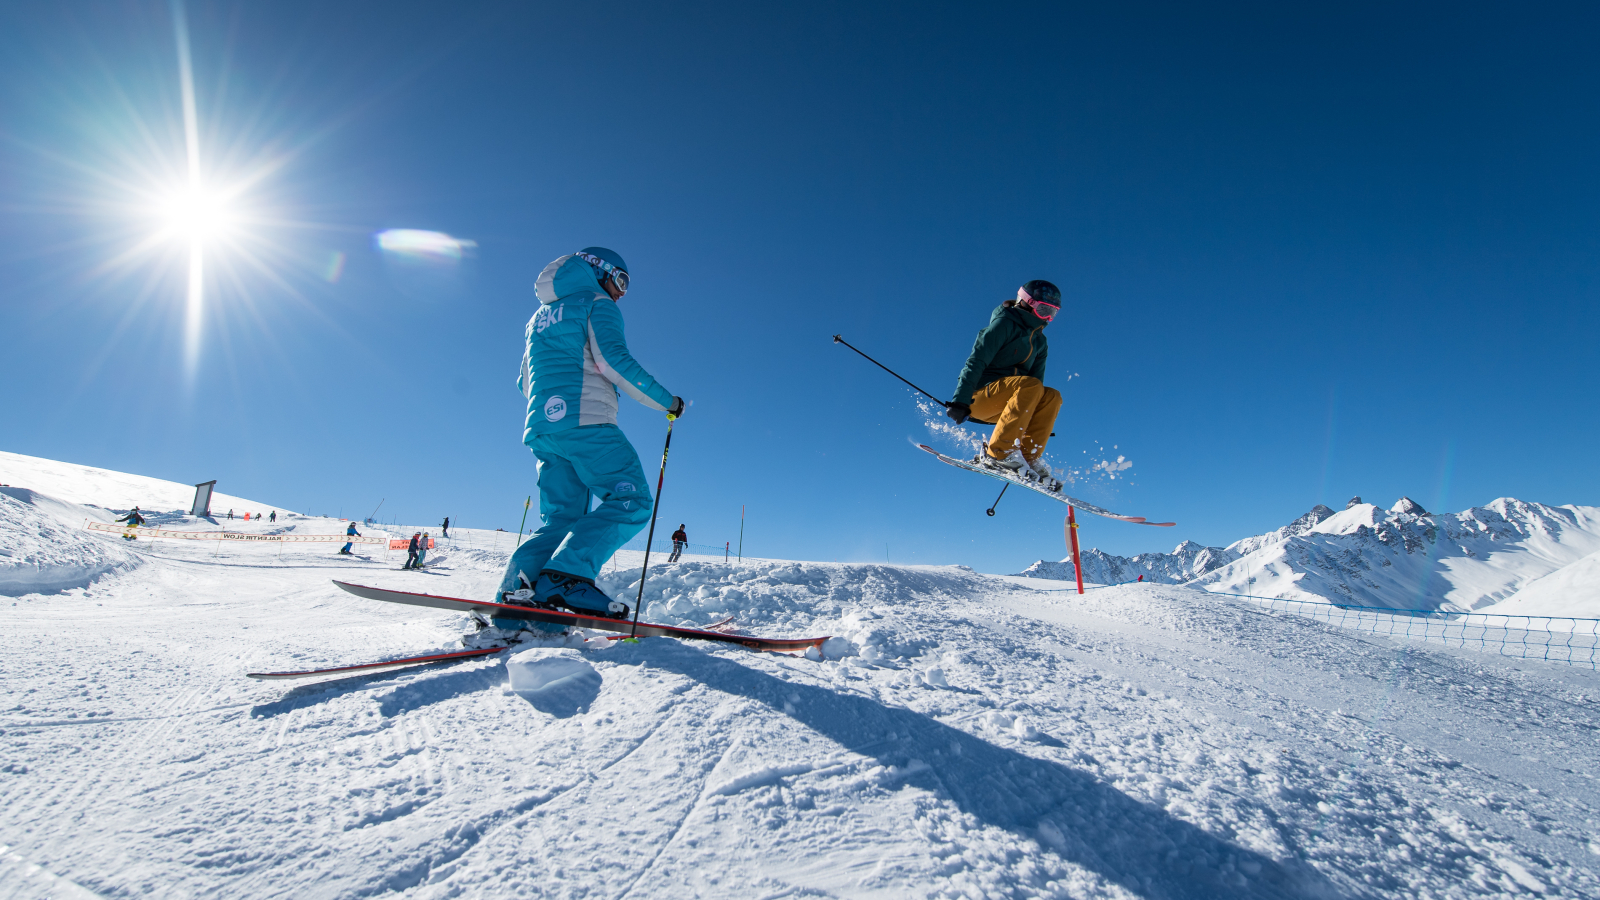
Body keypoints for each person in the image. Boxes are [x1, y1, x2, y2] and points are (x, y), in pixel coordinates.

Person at [493, 247, 683, 631]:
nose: (621, 293)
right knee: (632, 500)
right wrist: (670, 402)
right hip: (587, 422)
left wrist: (551, 407)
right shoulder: (596, 303)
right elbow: (614, 362)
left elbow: (524, 382)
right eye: (621, 281)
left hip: (543, 429)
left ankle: (517, 598)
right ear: (599, 272)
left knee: (561, 517)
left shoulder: (537, 319)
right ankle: (569, 578)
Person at [945, 280, 1065, 491]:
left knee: (1052, 396)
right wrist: (960, 400)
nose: (1047, 318)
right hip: (979, 397)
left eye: (1052, 313)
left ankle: (1027, 457)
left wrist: (1035, 419)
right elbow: (976, 361)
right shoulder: (1003, 324)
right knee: (1030, 386)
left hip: (1010, 404)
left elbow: (1038, 388)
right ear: (1027, 303)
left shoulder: (1040, 342)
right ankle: (999, 453)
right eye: (1044, 310)